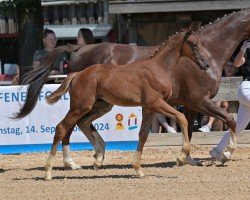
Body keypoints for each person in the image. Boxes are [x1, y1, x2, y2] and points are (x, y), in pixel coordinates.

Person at [209, 40, 250, 163]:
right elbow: (237, 63)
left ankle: (217, 150)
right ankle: (230, 148)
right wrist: (243, 48)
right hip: (247, 89)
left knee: (237, 128)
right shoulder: (247, 52)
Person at [199, 60, 238, 132]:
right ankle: (209, 126)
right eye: (227, 66)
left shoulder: (237, 79)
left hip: (231, 103)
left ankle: (209, 125)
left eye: (232, 66)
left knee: (221, 100)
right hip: (222, 104)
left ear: (236, 68)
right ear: (224, 67)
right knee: (222, 102)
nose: (229, 68)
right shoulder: (219, 79)